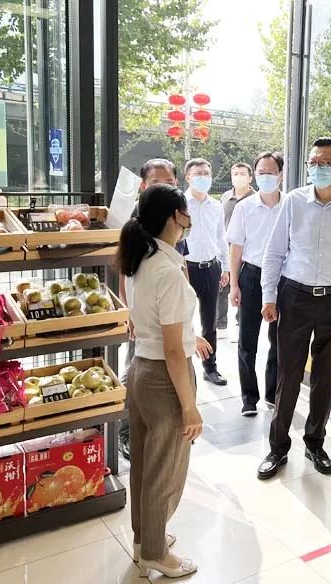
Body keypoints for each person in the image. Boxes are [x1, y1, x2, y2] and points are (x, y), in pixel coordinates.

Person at [257, 137, 331, 480]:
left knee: (325, 376)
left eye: (324, 162)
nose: (317, 168)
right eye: (313, 162)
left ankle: (315, 442)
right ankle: (278, 447)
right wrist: (268, 296)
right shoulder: (294, 201)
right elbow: (274, 252)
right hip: (295, 296)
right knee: (289, 373)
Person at [117, 184, 211, 579]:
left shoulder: (141, 259)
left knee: (144, 464)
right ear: (176, 217)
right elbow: (173, 351)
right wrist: (189, 406)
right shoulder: (168, 271)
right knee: (165, 470)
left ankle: (145, 540)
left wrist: (192, 337)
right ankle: (155, 553)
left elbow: (157, 326)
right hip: (164, 377)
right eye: (186, 211)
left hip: (140, 369)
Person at [118, 158, 182, 461]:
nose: (164, 186)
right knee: (138, 368)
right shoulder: (140, 216)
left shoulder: (174, 216)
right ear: (144, 185)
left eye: (169, 182)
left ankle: (163, 428)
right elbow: (125, 269)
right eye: (157, 182)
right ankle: (128, 434)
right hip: (146, 314)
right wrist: (129, 312)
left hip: (166, 307)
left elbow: (180, 261)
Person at [227, 152, 284, 417]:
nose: (266, 177)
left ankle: (273, 393)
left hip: (283, 279)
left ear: (280, 175)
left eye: (271, 172)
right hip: (251, 276)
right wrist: (234, 285)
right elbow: (236, 248)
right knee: (247, 340)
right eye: (261, 172)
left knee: (279, 340)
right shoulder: (244, 207)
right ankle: (249, 397)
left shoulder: (290, 205)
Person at [183, 158, 230, 386]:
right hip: (186, 269)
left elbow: (221, 238)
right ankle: (183, 368)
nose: (203, 177)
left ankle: (210, 368)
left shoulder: (216, 206)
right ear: (188, 178)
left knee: (209, 322)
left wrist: (226, 267)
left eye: (206, 174)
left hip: (211, 268)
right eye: (198, 174)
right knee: (182, 320)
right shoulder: (180, 203)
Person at [217, 163, 255, 339]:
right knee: (223, 287)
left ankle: (241, 324)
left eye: (242, 174)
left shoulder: (255, 199)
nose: (238, 177)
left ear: (250, 178)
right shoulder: (225, 197)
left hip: (247, 253)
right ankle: (221, 325)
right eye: (235, 174)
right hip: (226, 250)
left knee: (242, 288)